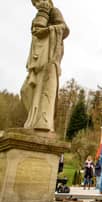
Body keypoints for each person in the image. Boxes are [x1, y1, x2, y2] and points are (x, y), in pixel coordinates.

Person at [21, 0, 69, 131]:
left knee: (45, 89)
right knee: (26, 90)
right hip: (38, 57)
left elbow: (64, 29)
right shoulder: (38, 15)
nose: (37, 4)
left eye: (38, 0)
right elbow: (36, 32)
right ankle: (32, 121)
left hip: (49, 57)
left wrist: (49, 30)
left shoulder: (54, 11)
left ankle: (42, 123)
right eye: (34, 3)